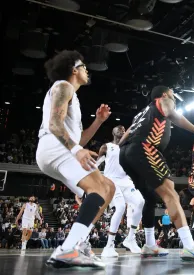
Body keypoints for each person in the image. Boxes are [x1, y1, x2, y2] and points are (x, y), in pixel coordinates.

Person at [118, 85, 194, 263]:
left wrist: (121, 153)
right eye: (172, 94)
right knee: (170, 193)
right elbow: (172, 114)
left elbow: (126, 134)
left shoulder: (141, 113)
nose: (174, 98)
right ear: (164, 95)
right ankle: (190, 247)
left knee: (149, 198)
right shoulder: (163, 101)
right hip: (145, 149)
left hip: (126, 154)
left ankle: (149, 244)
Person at [36, 50, 115, 268]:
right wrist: (76, 151)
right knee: (99, 188)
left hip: (55, 150)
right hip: (54, 146)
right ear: (74, 70)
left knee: (108, 188)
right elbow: (54, 124)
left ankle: (79, 243)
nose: (87, 70)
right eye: (84, 67)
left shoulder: (74, 97)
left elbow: (78, 138)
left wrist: (98, 122)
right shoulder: (64, 86)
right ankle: (68, 249)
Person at [98, 126, 145, 257]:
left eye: (124, 129)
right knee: (120, 207)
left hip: (125, 180)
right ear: (113, 132)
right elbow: (96, 165)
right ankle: (109, 245)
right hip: (111, 181)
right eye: (118, 129)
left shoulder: (128, 147)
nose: (121, 130)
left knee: (141, 202)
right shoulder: (106, 147)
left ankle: (130, 238)